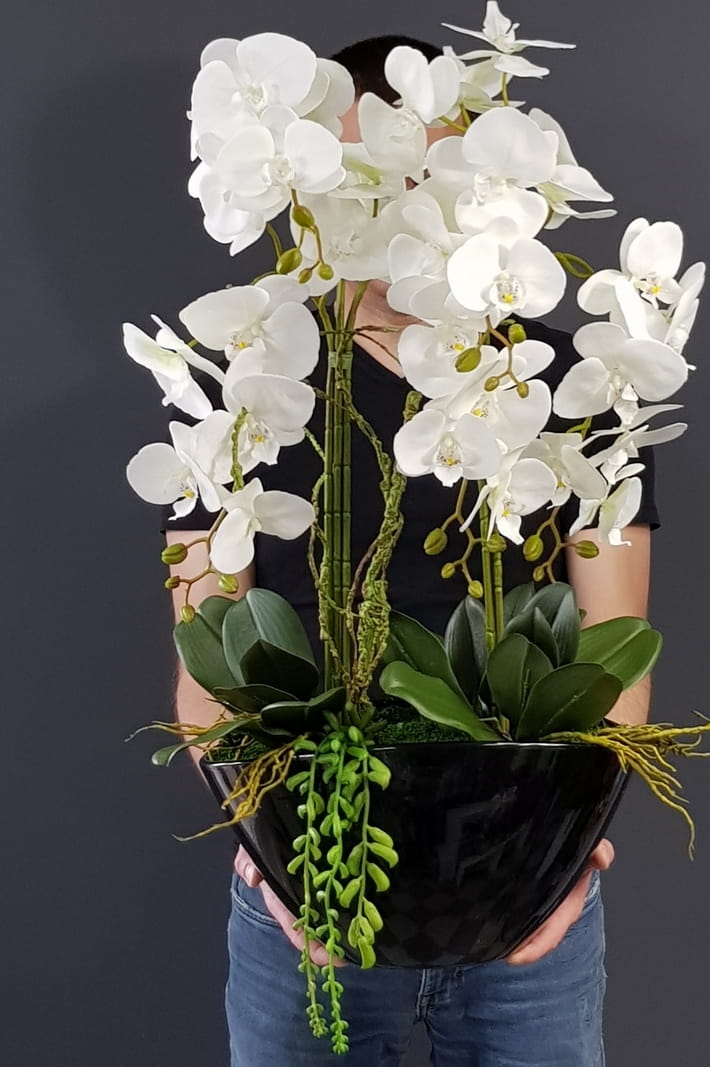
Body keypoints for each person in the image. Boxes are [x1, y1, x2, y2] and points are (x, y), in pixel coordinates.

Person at [164, 35, 658, 1066]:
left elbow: (614, 646)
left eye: (432, 171)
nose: (399, 200)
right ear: (308, 178)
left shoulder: (562, 386)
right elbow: (205, 677)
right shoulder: (239, 390)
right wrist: (270, 860)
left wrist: (567, 861)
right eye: (368, 171)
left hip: (527, 898)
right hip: (310, 882)